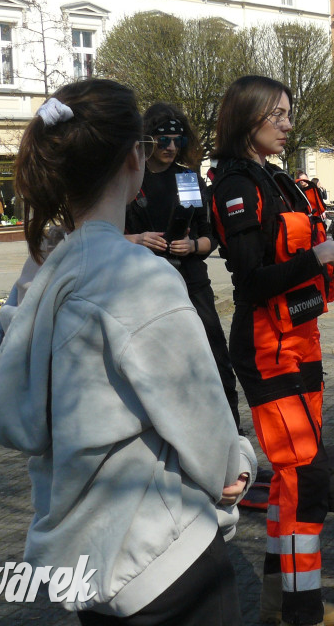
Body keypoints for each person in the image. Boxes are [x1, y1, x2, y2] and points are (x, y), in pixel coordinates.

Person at [0, 79, 255, 624]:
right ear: (132, 161)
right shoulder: (138, 276)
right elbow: (206, 428)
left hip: (83, 565)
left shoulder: (45, 275)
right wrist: (237, 468)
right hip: (162, 555)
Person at [210, 75, 334, 626]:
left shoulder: (275, 180)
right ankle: (302, 611)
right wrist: (321, 254)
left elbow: (294, 269)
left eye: (288, 112)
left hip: (299, 341)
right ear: (247, 117)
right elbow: (252, 281)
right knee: (306, 480)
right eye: (276, 113)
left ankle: (279, 608)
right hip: (267, 347)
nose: (287, 123)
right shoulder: (235, 186)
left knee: (292, 478)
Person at [125, 103, 243, 431]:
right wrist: (137, 239)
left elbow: (209, 239)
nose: (171, 147)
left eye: (177, 140)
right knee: (158, 366)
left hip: (191, 281)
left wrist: (192, 245)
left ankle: (231, 433)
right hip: (146, 287)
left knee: (216, 358)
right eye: (163, 141)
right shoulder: (132, 181)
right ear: (148, 140)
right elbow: (107, 236)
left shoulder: (187, 179)